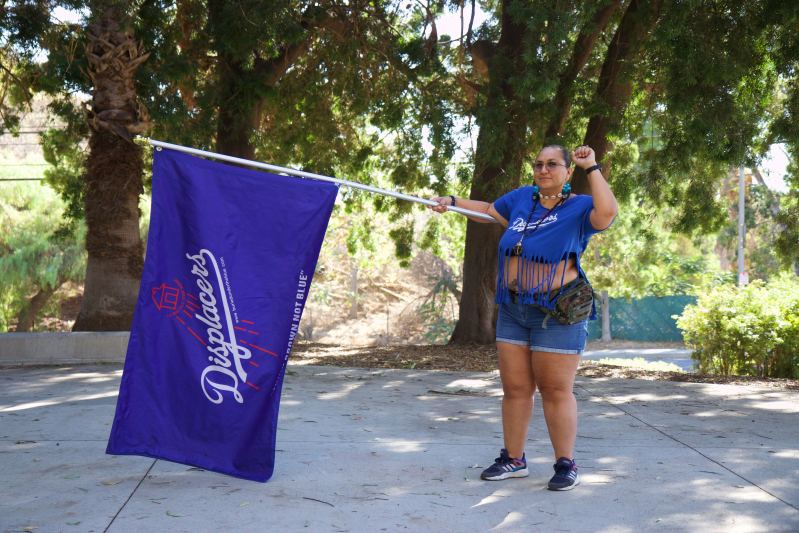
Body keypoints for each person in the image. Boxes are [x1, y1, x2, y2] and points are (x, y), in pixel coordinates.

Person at [430, 145, 617, 491]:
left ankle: (565, 464)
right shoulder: (522, 199)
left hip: (557, 312)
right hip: (514, 309)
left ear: (566, 171)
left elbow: (608, 212)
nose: (543, 170)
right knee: (515, 389)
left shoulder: (579, 206)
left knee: (555, 390)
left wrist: (591, 167)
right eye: (538, 164)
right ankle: (514, 460)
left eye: (552, 164)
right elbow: (487, 210)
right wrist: (452, 201)